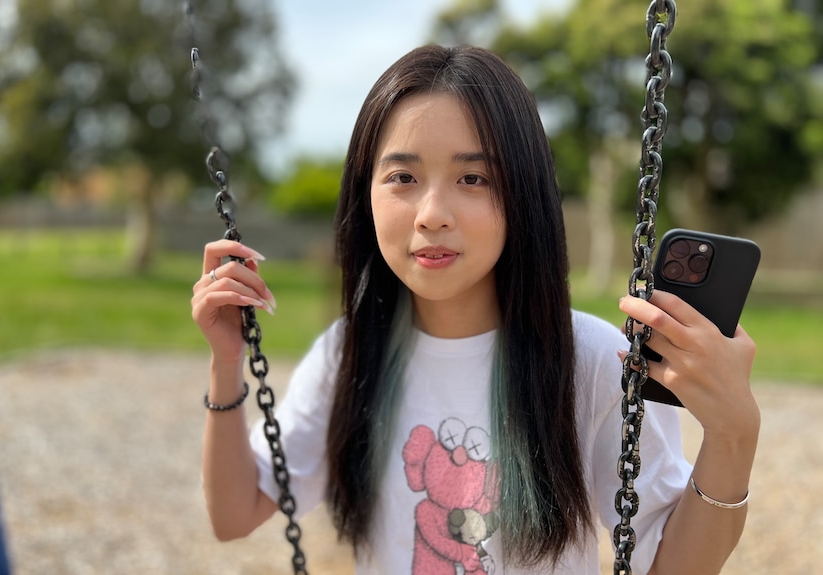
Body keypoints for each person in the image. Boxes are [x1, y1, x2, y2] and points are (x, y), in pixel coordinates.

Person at [190, 45, 759, 574]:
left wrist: (734, 435)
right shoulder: (349, 352)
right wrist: (225, 362)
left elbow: (673, 565)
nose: (432, 213)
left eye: (472, 177)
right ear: (366, 194)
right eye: (403, 177)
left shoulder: (592, 359)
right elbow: (236, 514)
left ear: (523, 194)